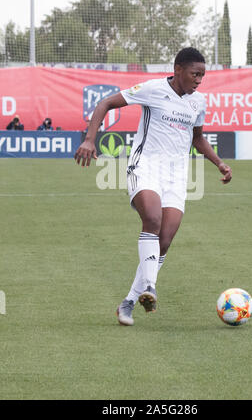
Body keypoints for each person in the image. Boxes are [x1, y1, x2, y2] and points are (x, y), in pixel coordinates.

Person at [74, 47, 232, 326]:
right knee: (153, 219)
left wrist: (219, 163)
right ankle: (151, 287)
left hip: (177, 175)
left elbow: (198, 139)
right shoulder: (152, 89)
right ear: (178, 69)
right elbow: (105, 104)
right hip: (145, 165)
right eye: (195, 74)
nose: (199, 80)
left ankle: (128, 303)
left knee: (166, 240)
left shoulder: (198, 102)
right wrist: (90, 139)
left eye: (203, 76)